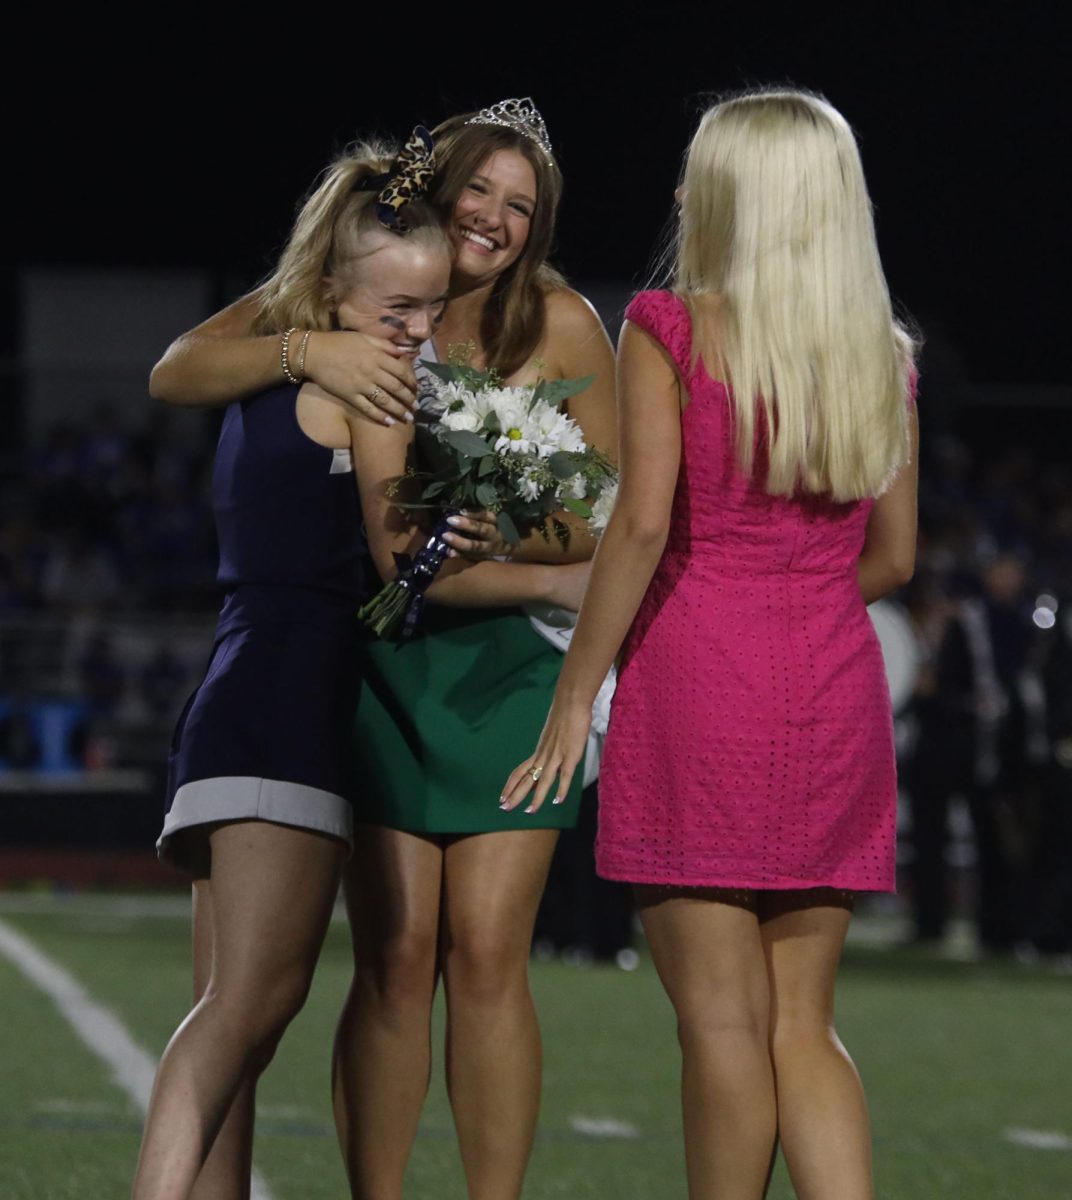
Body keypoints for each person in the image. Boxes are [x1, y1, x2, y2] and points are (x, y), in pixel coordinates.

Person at [149, 100, 616, 1200]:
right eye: (482, 191)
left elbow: (598, 509)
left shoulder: (559, 321)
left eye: (522, 206)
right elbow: (177, 368)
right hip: (377, 655)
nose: (495, 220)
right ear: (439, 182)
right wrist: (304, 343)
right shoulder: (355, 287)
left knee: (491, 952)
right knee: (396, 957)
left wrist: (516, 532)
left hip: (500, 653)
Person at [503, 89, 919, 1200]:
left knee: (721, 1024)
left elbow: (640, 526)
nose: (682, 191)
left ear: (743, 195)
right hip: (832, 685)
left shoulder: (671, 325)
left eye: (701, 173)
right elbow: (894, 558)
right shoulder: (883, 352)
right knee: (804, 1026)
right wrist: (798, 591)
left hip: (700, 678)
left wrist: (572, 692)